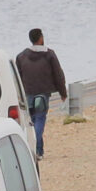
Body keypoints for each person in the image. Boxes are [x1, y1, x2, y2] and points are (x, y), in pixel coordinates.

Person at [14, 29, 68, 159]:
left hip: (28, 94)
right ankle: (37, 150)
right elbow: (58, 74)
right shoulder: (49, 55)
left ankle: (38, 150)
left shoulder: (21, 56)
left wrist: (17, 94)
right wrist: (63, 92)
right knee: (40, 119)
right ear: (40, 38)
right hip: (43, 94)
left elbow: (17, 77)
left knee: (32, 121)